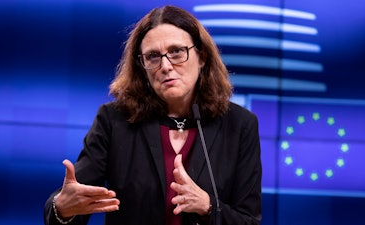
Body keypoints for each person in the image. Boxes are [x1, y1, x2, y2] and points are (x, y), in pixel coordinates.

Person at [44, 5, 262, 225]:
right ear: (142, 67)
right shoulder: (114, 120)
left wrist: (208, 206)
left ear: (202, 56)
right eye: (153, 57)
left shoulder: (240, 125)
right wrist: (61, 208)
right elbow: (78, 200)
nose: (166, 66)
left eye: (177, 51)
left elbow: (249, 221)